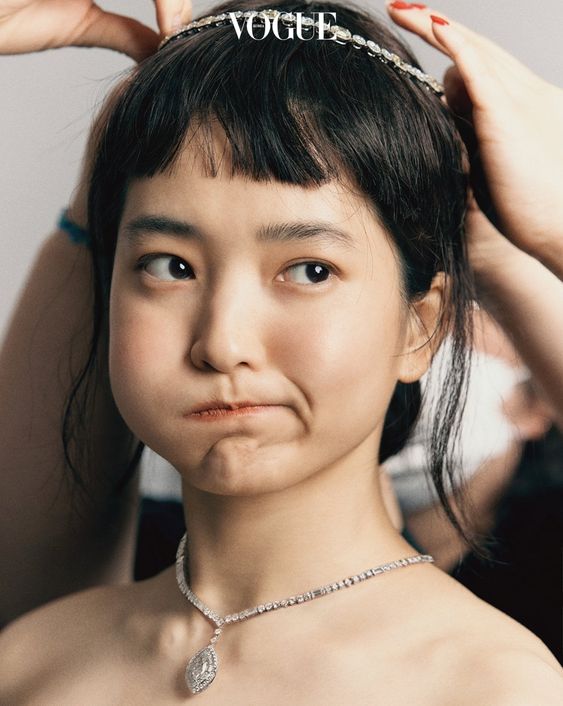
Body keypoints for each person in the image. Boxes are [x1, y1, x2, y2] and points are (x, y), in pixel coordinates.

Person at [1, 2, 562, 704]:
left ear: (419, 328)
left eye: (308, 271)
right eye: (170, 266)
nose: (223, 343)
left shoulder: (492, 686)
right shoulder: (30, 663)